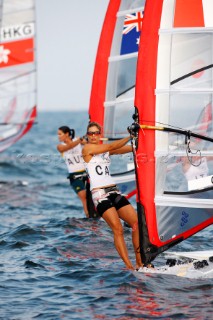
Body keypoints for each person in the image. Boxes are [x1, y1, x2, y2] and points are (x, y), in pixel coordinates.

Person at [82, 121, 144, 270]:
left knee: (136, 224)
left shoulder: (104, 151)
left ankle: (139, 262)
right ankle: (128, 267)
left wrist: (139, 142)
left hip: (114, 191)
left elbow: (125, 149)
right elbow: (111, 146)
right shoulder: (88, 149)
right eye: (90, 133)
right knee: (118, 230)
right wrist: (130, 135)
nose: (94, 136)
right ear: (87, 136)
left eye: (96, 133)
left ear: (100, 134)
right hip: (100, 195)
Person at [57, 126, 89, 217]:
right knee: (84, 197)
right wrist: (79, 141)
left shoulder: (78, 141)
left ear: (67, 134)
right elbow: (68, 147)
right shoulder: (60, 146)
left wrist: (85, 141)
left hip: (86, 173)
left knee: (92, 197)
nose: (58, 136)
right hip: (74, 176)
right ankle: (88, 218)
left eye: (60, 134)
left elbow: (88, 144)